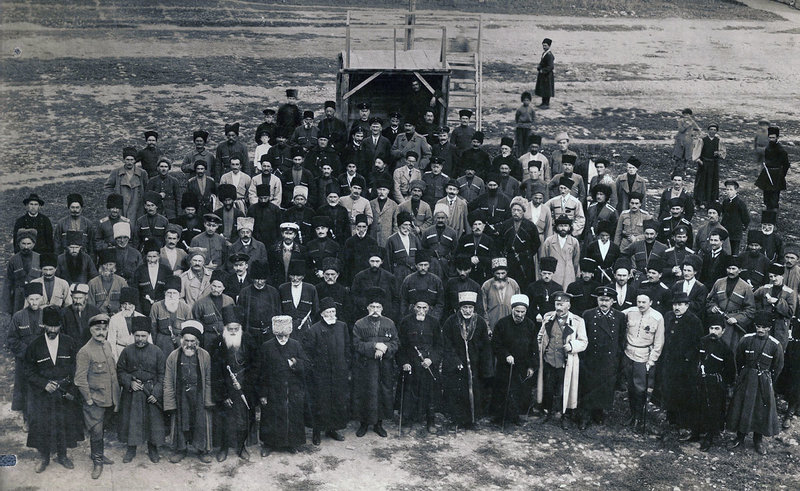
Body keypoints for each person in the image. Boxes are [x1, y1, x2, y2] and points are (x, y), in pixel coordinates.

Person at [23, 306, 84, 473]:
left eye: (55, 326)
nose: (52, 330)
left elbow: (76, 367)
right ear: (43, 326)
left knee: (64, 423)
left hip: (63, 393)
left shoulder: (69, 342)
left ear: (60, 326)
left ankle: (62, 455)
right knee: (42, 425)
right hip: (43, 394)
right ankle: (44, 458)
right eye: (48, 326)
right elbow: (28, 370)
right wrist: (44, 384)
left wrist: (70, 387)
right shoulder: (34, 345)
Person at [727, 312, 784, 455]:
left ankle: (757, 440)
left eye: (764, 327)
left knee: (760, 409)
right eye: (758, 326)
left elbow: (777, 367)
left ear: (769, 328)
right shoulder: (746, 339)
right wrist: (743, 374)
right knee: (742, 406)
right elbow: (738, 359)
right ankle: (739, 437)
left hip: (763, 380)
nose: (760, 329)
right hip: (746, 378)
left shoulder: (775, 345)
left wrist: (767, 380)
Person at [74, 313, 120, 479]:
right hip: (95, 400)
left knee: (102, 429)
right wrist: (88, 399)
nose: (101, 332)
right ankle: (97, 462)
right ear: (91, 330)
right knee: (96, 431)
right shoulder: (85, 352)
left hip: (109, 398)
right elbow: (79, 379)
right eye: (97, 329)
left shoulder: (107, 345)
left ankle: (97, 454)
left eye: (104, 329)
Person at [210, 306, 257, 462]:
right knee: (224, 420)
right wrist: (223, 395)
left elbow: (255, 366)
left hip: (244, 389)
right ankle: (223, 448)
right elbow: (215, 371)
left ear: (240, 328)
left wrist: (246, 386)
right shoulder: (218, 343)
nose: (233, 331)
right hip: (225, 388)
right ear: (225, 328)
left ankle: (241, 446)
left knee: (243, 419)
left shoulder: (249, 340)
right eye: (230, 328)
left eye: (236, 328)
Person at [117, 316, 166, 464]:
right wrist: (129, 383)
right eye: (137, 335)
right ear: (133, 335)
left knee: (153, 422)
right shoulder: (126, 351)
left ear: (149, 335)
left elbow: (162, 375)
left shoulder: (157, 351)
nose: (140, 339)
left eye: (143, 336)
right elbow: (120, 371)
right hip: (132, 393)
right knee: (132, 421)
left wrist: (156, 393)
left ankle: (153, 449)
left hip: (150, 393)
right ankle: (131, 449)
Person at [440, 291, 493, 430]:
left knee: (475, 391)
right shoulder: (451, 321)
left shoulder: (480, 322)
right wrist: (455, 360)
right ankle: (457, 419)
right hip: (457, 364)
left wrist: (483, 364)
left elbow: (485, 346)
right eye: (465, 308)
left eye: (470, 308)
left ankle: (472, 420)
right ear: (460, 308)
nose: (467, 311)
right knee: (457, 392)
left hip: (475, 364)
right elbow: (446, 343)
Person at [164, 322, 214, 464]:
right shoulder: (173, 356)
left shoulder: (205, 355)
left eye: (193, 341)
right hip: (181, 395)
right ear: (182, 340)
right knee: (181, 422)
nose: (190, 344)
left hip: (199, 394)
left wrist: (208, 400)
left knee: (200, 422)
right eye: (187, 340)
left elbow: (209, 379)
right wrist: (170, 402)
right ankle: (181, 449)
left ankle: (202, 450)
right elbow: (168, 380)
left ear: (197, 341)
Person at [536, 291, 587, 429]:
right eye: (557, 304)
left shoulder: (577, 321)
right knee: (548, 387)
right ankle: (547, 412)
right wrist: (542, 347)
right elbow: (540, 335)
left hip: (566, 362)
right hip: (549, 360)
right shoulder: (548, 318)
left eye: (562, 304)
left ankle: (565, 415)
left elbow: (583, 342)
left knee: (565, 389)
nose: (559, 307)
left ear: (569, 306)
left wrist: (571, 346)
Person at [352, 288, 398, 438]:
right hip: (366, 366)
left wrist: (385, 348)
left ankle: (379, 424)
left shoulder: (389, 323)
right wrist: (374, 346)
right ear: (367, 308)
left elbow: (396, 342)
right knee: (366, 392)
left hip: (384, 366)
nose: (375, 310)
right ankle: (364, 423)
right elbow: (356, 344)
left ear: (382, 308)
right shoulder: (359, 324)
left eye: (378, 307)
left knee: (383, 393)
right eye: (372, 307)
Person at [685, 314, 736, 451]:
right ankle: (695, 433)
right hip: (699, 380)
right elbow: (692, 359)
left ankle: (709, 437)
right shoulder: (701, 342)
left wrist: (721, 383)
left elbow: (730, 372)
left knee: (712, 410)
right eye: (711, 328)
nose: (713, 331)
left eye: (717, 328)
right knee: (696, 406)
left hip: (715, 384)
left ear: (723, 331)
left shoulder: (726, 349)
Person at [579, 286, 626, 429]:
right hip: (591, 358)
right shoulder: (588, 314)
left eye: (607, 300)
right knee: (589, 387)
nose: (603, 303)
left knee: (605, 387)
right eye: (601, 299)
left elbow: (621, 338)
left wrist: (617, 357)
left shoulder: (620, 316)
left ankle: (598, 413)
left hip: (609, 359)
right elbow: (583, 335)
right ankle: (585, 416)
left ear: (612, 301)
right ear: (597, 300)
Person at [306, 298, 351, 445]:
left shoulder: (342, 326)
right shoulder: (314, 329)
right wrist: (314, 370)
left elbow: (347, 348)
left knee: (337, 401)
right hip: (321, 374)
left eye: (333, 311)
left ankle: (332, 429)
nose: (331, 314)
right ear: (322, 314)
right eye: (328, 312)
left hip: (339, 372)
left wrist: (346, 366)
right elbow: (309, 353)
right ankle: (317, 432)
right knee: (321, 402)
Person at [658, 292, 704, 431]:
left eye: (680, 304)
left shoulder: (694, 320)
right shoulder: (668, 316)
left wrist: (687, 358)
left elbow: (697, 343)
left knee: (682, 391)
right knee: (668, 388)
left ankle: (682, 421)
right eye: (674, 304)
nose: (676, 307)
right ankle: (670, 417)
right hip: (668, 360)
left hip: (684, 364)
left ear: (687, 305)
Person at [491, 294, 536, 426]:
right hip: (505, 366)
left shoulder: (530, 325)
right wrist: (506, 355)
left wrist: (531, 367)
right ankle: (500, 418)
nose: (520, 315)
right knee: (503, 391)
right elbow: (496, 344)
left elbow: (533, 347)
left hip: (522, 366)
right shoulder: (502, 324)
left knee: (520, 392)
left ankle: (516, 417)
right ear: (512, 310)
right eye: (517, 311)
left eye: (523, 312)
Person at [398, 297, 442, 434]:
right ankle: (407, 421)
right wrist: (404, 362)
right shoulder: (406, 322)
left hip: (428, 364)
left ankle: (431, 421)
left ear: (429, 309)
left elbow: (439, 346)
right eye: (419, 307)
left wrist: (431, 359)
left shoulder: (434, 322)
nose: (421, 310)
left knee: (430, 394)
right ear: (413, 307)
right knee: (409, 393)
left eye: (424, 308)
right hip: (411, 364)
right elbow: (401, 346)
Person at [622, 293, 665, 432]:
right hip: (628, 353)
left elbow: (659, 342)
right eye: (638, 301)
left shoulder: (657, 317)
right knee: (630, 386)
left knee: (640, 389)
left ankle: (639, 418)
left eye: (644, 302)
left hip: (643, 356)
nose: (640, 304)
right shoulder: (630, 312)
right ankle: (632, 414)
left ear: (651, 302)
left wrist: (652, 360)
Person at [7, 282, 45, 424]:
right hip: (24, 361)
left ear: (41, 298)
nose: (34, 302)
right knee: (25, 390)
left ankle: (41, 421)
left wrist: (41, 354)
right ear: (27, 299)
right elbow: (11, 339)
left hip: (42, 360)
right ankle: (27, 420)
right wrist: (27, 353)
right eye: (31, 299)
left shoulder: (46, 314)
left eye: (37, 299)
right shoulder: (18, 316)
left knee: (41, 388)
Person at [706, 255, 755, 355]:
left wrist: (737, 319)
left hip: (733, 326)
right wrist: (712, 308)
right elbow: (710, 300)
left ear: (740, 270)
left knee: (731, 352)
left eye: (734, 268)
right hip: (718, 323)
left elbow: (750, 310)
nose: (731, 271)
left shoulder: (746, 287)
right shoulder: (719, 283)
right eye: (729, 268)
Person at [237, 259, 281, 346]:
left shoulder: (273, 292)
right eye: (256, 279)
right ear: (252, 278)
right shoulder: (245, 292)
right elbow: (240, 315)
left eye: (262, 279)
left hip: (269, 335)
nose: (259, 282)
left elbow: (278, 313)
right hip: (250, 334)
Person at [754, 262, 797, 349]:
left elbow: (790, 312)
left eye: (776, 276)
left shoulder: (789, 293)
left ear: (782, 276)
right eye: (771, 276)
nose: (773, 279)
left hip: (780, 328)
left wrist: (778, 302)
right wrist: (760, 311)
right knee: (761, 348)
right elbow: (753, 298)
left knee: (778, 350)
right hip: (765, 326)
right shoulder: (765, 289)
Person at [150, 275, 192, 356]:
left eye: (174, 293)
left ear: (179, 294)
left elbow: (189, 330)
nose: (172, 296)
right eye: (169, 293)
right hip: (162, 343)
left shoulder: (186, 308)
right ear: (164, 293)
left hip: (180, 343)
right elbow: (153, 329)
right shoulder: (156, 306)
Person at [105, 147, 149, 219]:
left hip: (137, 206)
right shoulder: (116, 172)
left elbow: (147, 188)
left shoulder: (142, 173)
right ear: (124, 160)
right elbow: (108, 187)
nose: (129, 162)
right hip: (121, 206)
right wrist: (114, 199)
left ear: (135, 160)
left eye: (132, 160)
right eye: (127, 160)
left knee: (136, 226)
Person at [399, 249, 444, 321]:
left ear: (429, 265)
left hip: (431, 317)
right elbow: (403, 301)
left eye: (425, 265)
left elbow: (440, 303)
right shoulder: (408, 280)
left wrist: (435, 318)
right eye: (420, 265)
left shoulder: (436, 281)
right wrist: (406, 318)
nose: (423, 268)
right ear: (416, 265)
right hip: (412, 317)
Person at [107, 286, 148, 361]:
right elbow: (111, 342)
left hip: (138, 353)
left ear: (134, 305)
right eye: (124, 304)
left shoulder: (142, 318)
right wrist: (115, 360)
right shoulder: (114, 319)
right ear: (121, 305)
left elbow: (148, 341)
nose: (127, 307)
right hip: (120, 353)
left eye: (130, 304)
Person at [540, 215, 580, 289]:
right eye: (561, 226)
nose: (563, 228)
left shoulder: (574, 242)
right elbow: (543, 258)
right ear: (557, 227)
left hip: (568, 275)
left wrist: (575, 276)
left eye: (565, 226)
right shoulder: (549, 241)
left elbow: (576, 262)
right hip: (554, 276)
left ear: (569, 227)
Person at [755, 126, 790, 211]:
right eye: (770, 137)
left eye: (773, 138)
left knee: (774, 199)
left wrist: (781, 176)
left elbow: (786, 164)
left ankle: (773, 219)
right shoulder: (768, 147)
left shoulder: (781, 150)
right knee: (766, 197)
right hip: (767, 174)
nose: (771, 139)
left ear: (777, 137)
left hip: (776, 176)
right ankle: (767, 219)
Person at [693, 123, 726, 209]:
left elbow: (723, 153)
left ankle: (711, 200)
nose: (712, 131)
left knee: (712, 182)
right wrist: (698, 160)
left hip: (714, 164)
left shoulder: (718, 140)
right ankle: (700, 201)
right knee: (702, 181)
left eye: (714, 130)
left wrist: (719, 153)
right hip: (704, 163)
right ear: (708, 130)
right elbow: (696, 151)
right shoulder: (702, 140)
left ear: (716, 131)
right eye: (711, 129)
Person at [87, 249, 129, 315]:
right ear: (101, 266)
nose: (107, 267)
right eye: (105, 264)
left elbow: (126, 304)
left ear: (115, 266)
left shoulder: (122, 282)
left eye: (110, 264)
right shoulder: (92, 283)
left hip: (118, 318)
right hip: (99, 318)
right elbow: (90, 307)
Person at [720, 180, 750, 254]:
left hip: (735, 233)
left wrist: (743, 227)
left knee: (734, 251)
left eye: (731, 190)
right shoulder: (725, 202)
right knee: (725, 250)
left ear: (736, 191)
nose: (729, 191)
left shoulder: (740, 203)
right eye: (727, 189)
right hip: (726, 230)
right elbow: (724, 214)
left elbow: (746, 218)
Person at [369, 176, 399, 248]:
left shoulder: (393, 205)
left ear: (388, 191)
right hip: (373, 237)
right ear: (376, 190)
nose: (382, 192)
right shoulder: (371, 203)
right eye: (379, 189)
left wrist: (393, 238)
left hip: (387, 238)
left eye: (384, 190)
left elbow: (396, 224)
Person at [672, 109, 701, 175]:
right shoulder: (680, 121)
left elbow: (698, 129)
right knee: (677, 156)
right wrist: (687, 125)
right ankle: (674, 169)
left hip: (688, 141)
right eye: (685, 114)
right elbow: (681, 130)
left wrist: (694, 134)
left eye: (688, 114)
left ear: (690, 115)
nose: (686, 116)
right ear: (683, 114)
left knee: (687, 157)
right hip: (680, 140)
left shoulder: (692, 121)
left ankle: (684, 170)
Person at [534, 38, 554, 108]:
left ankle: (546, 104)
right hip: (543, 75)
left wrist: (543, 70)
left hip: (547, 75)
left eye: (545, 45)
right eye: (543, 45)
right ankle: (543, 103)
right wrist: (539, 66)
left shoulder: (549, 55)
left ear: (549, 46)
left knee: (547, 90)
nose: (544, 47)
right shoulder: (544, 53)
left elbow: (551, 66)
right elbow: (542, 62)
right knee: (543, 89)